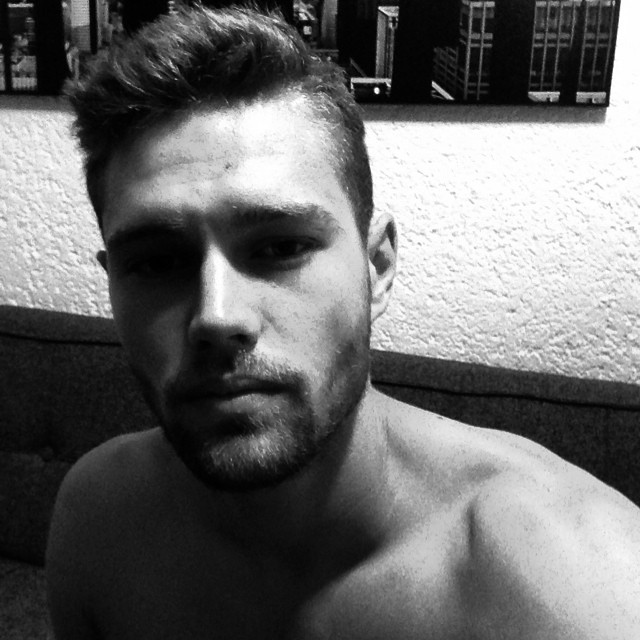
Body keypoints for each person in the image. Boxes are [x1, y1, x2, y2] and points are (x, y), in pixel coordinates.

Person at [46, 4, 640, 639]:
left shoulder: (579, 590)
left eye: (281, 247)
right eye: (155, 262)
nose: (217, 317)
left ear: (376, 266)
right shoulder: (97, 516)